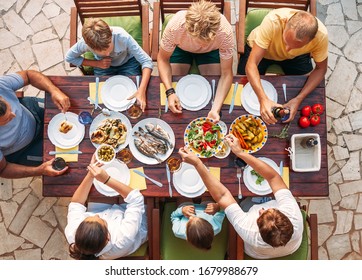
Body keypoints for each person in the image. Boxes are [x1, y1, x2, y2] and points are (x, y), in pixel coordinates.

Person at [178, 134, 303, 259]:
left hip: (256, 253)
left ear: (257, 229)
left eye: (261, 214)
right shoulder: (293, 213)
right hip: (291, 248)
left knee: (243, 205)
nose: (261, 209)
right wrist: (241, 153)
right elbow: (274, 177)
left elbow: (222, 196)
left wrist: (198, 164)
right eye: (270, 210)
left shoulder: (248, 229)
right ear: (286, 217)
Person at [237, 8, 328, 125]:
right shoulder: (272, 21)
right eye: (286, 41)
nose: (287, 49)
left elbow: (321, 69)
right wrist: (263, 99)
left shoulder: (321, 36)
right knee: (242, 83)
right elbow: (251, 64)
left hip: (295, 58)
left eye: (296, 46)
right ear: (285, 23)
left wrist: (298, 99)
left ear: (312, 39)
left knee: (302, 86)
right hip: (262, 51)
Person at [157, 0, 234, 122]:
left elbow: (227, 74)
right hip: (181, 49)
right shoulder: (175, 26)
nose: (201, 46)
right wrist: (169, 91)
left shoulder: (225, 32)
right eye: (198, 40)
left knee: (212, 89)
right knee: (175, 84)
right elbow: (162, 59)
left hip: (211, 51)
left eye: (205, 41)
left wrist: (215, 110)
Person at [65, 156, 147, 260]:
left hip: (104, 209)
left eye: (89, 217)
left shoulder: (73, 235)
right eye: (101, 220)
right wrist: (106, 179)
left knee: (99, 191)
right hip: (135, 222)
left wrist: (90, 174)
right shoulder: (123, 239)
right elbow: (136, 199)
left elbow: (76, 203)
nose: (96, 215)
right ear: (108, 237)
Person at [65, 18, 153, 111]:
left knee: (133, 98)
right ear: (88, 45)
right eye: (101, 52)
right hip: (102, 66)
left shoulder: (123, 37)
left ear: (111, 33)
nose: (107, 54)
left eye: (108, 47)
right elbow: (69, 57)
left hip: (128, 63)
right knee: (103, 101)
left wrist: (142, 90)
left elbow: (146, 61)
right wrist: (96, 63)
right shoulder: (84, 44)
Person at [0, 70, 70, 179]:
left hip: (32, 110)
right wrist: (39, 170)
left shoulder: (1, 86)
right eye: (7, 120)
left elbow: (28, 75)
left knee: (72, 111)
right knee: (68, 159)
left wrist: (54, 90)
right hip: (25, 149)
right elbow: (3, 170)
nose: (14, 115)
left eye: (10, 109)